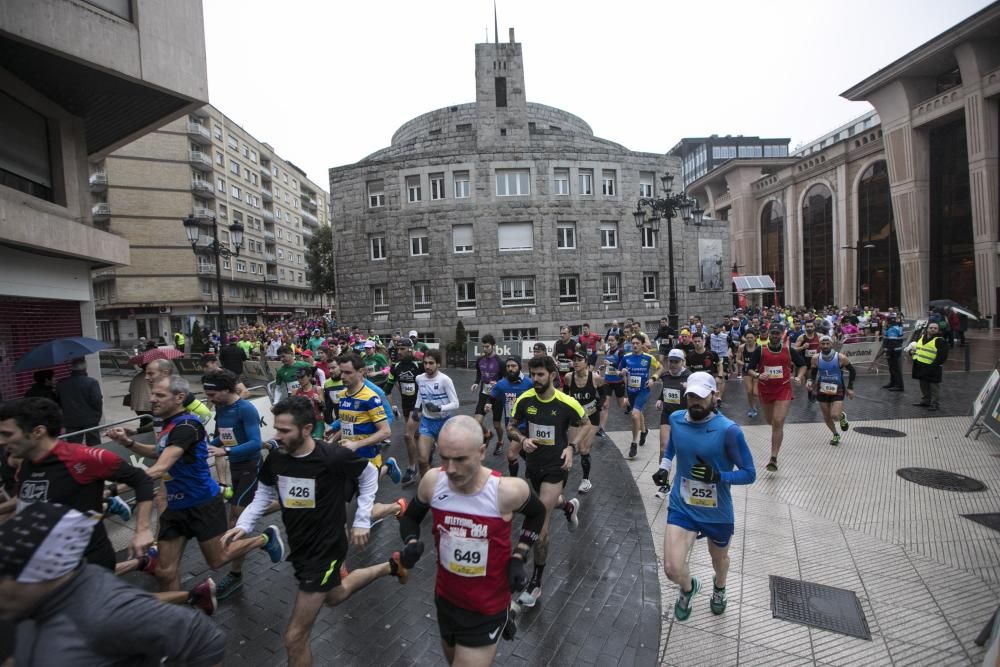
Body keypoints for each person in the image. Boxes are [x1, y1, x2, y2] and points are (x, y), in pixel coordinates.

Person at [224, 397, 410, 667]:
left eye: (285, 431)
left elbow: (369, 475)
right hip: (300, 547)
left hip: (326, 550)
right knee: (335, 595)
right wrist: (243, 525)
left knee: (294, 637)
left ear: (308, 429)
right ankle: (390, 567)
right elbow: (263, 494)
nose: (278, 436)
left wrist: (360, 519)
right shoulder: (276, 458)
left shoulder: (331, 456)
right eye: (277, 429)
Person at [105, 376, 284, 595]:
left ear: (179, 398)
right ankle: (179, 619)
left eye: (159, 395)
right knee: (165, 571)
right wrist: (128, 443)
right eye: (152, 393)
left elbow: (160, 468)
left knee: (219, 556)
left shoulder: (188, 425)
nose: (152, 399)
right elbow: (158, 452)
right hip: (175, 506)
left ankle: (263, 539)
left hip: (203, 502)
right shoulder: (170, 425)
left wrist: (111, 491)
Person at [396, 416, 547, 665]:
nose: (451, 468)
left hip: (486, 608)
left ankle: (504, 614)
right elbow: (410, 518)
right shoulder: (433, 482)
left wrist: (520, 556)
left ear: (482, 452)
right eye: (444, 458)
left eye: (460, 459)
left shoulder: (507, 491)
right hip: (446, 600)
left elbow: (537, 512)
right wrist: (411, 542)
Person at [0, 503, 226, 666]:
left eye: (4, 576)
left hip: (200, 505)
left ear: (38, 575)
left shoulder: (102, 613)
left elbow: (203, 637)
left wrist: (140, 526)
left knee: (215, 560)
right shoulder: (26, 608)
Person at [0, 397, 155, 569]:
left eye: (7, 434)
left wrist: (142, 530)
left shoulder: (82, 457)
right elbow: (25, 502)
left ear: (38, 432)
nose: (1, 441)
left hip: (88, 565)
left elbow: (142, 480)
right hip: (44, 566)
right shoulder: (26, 463)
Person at [653, 372, 756, 621]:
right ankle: (689, 588)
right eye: (691, 396)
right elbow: (673, 445)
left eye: (701, 396)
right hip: (682, 505)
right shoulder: (677, 419)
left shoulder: (729, 431)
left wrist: (718, 476)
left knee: (718, 559)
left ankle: (719, 587)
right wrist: (665, 467)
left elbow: (749, 474)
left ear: (715, 395)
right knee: (671, 568)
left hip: (716, 510)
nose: (695, 402)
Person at [508, 355, 585, 609]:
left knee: (540, 522)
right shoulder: (525, 399)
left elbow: (586, 423)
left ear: (552, 374)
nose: (536, 379)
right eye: (533, 374)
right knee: (546, 503)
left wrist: (572, 447)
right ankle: (569, 506)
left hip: (556, 467)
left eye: (541, 374)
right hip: (534, 466)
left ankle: (536, 582)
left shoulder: (566, 402)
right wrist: (521, 439)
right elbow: (511, 426)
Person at [202, 369, 264, 600]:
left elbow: (255, 443)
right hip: (235, 465)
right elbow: (224, 435)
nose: (210, 399)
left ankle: (235, 574)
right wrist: (207, 446)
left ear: (227, 390)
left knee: (235, 518)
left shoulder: (245, 409)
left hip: (249, 466)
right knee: (246, 510)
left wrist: (225, 450)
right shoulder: (221, 407)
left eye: (213, 394)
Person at [331, 353, 402, 484]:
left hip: (367, 454)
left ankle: (388, 467)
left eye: (348, 372)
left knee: (362, 489)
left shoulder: (371, 397)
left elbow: (386, 432)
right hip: (348, 452)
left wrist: (356, 444)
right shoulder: (342, 395)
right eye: (341, 372)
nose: (342, 376)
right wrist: (333, 437)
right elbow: (349, 423)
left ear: (361, 372)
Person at [751, 324, 806, 472]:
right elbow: (749, 369)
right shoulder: (760, 350)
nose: (775, 336)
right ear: (769, 334)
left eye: (778, 333)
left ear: (782, 335)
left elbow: (802, 365)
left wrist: (799, 377)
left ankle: (773, 458)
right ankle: (776, 437)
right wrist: (757, 375)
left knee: (778, 420)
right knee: (771, 421)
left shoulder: (788, 350)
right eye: (773, 333)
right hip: (766, 390)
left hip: (784, 388)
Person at [412, 350, 460, 478]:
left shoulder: (445, 380)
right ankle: (426, 489)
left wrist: (439, 408)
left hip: (444, 423)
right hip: (427, 422)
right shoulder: (419, 378)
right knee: (422, 460)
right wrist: (416, 408)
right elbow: (420, 394)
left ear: (438, 364)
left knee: (448, 460)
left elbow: (455, 403)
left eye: (431, 363)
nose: (427, 366)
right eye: (425, 363)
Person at [562, 351, 604, 493]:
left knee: (584, 448)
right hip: (577, 417)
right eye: (574, 360)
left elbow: (605, 392)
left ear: (586, 362)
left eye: (579, 360)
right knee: (573, 447)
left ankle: (586, 480)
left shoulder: (595, 378)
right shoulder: (568, 377)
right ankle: (561, 475)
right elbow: (565, 393)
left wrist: (600, 403)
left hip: (592, 416)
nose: (576, 362)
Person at [651, 349, 691, 498]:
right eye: (671, 361)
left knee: (685, 451)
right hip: (667, 415)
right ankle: (664, 483)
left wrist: (690, 388)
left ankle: (687, 482)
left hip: (684, 417)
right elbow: (666, 388)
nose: (673, 364)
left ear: (682, 362)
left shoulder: (689, 376)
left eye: (676, 361)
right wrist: (660, 399)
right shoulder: (665, 375)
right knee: (663, 447)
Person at [384, 337, 423, 485]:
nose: (399, 352)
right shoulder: (396, 366)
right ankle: (428, 448)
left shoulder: (419, 365)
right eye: (397, 349)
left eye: (402, 349)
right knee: (416, 435)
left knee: (408, 435)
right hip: (406, 405)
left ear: (410, 349)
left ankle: (412, 468)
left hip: (419, 405)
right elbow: (387, 388)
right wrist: (390, 404)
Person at [806, 335, 855, 446]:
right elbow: (813, 373)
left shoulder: (840, 357)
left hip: (837, 389)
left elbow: (852, 371)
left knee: (834, 415)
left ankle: (841, 416)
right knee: (827, 416)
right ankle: (835, 434)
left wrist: (850, 387)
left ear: (832, 344)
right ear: (820, 345)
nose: (825, 346)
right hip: (822, 389)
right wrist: (810, 382)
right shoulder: (815, 358)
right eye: (823, 344)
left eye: (827, 343)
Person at [489, 357, 534, 478]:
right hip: (510, 425)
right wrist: (488, 404)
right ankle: (533, 467)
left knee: (511, 454)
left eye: (513, 366)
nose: (510, 368)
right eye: (508, 366)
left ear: (519, 367)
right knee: (523, 451)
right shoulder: (501, 384)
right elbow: (492, 397)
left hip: (525, 425)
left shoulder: (529, 383)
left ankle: (514, 481)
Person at [620, 333, 661, 459]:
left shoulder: (648, 358)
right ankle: (644, 431)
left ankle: (634, 443)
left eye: (637, 343)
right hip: (631, 390)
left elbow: (660, 368)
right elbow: (619, 371)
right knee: (638, 412)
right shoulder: (626, 357)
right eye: (633, 343)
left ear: (643, 344)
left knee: (635, 414)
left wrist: (653, 378)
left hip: (643, 390)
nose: (635, 345)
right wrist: (622, 372)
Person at [55, 358, 103, 446]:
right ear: (85, 368)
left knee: (74, 446)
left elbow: (58, 402)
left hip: (71, 420)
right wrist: (98, 415)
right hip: (90, 419)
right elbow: (97, 401)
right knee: (94, 445)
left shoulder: (61, 384)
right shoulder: (92, 382)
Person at [471, 335, 503, 450]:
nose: (485, 349)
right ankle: (487, 433)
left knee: (497, 424)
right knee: (476, 422)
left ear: (493, 346)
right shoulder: (480, 360)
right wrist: (476, 382)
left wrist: (498, 383)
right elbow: (479, 373)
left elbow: (505, 379)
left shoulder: (500, 362)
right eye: (483, 347)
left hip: (497, 396)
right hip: (484, 394)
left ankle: (500, 441)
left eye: (487, 346)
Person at [910, 321, 948, 411]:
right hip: (921, 365)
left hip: (933, 367)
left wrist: (934, 365)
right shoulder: (922, 337)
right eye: (931, 328)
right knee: (923, 385)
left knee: (934, 387)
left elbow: (942, 356)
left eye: (935, 328)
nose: (933, 329)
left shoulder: (940, 340)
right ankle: (926, 401)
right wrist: (911, 352)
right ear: (927, 329)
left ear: (938, 330)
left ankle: (935, 404)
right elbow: (919, 350)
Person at [598, 333, 627, 438]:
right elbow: (607, 364)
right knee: (605, 405)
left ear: (617, 341)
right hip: (608, 382)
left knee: (621, 405)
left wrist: (609, 364)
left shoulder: (621, 352)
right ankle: (601, 429)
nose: (610, 342)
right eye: (609, 340)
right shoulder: (608, 351)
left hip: (619, 382)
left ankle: (629, 403)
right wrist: (602, 366)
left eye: (612, 340)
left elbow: (621, 366)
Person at [872, 316, 905, 391]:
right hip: (896, 351)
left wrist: (888, 354)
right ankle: (893, 383)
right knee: (892, 368)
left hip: (893, 351)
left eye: (886, 321)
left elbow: (892, 342)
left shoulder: (892, 329)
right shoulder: (897, 327)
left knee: (895, 369)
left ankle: (898, 385)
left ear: (888, 322)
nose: (885, 322)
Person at [735, 330, 762, 418]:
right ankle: (752, 408)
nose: (749, 339)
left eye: (751, 337)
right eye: (747, 338)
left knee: (755, 392)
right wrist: (743, 364)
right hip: (746, 371)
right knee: (749, 391)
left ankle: (758, 403)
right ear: (745, 338)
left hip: (757, 371)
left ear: (755, 338)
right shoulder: (742, 347)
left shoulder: (760, 347)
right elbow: (737, 359)